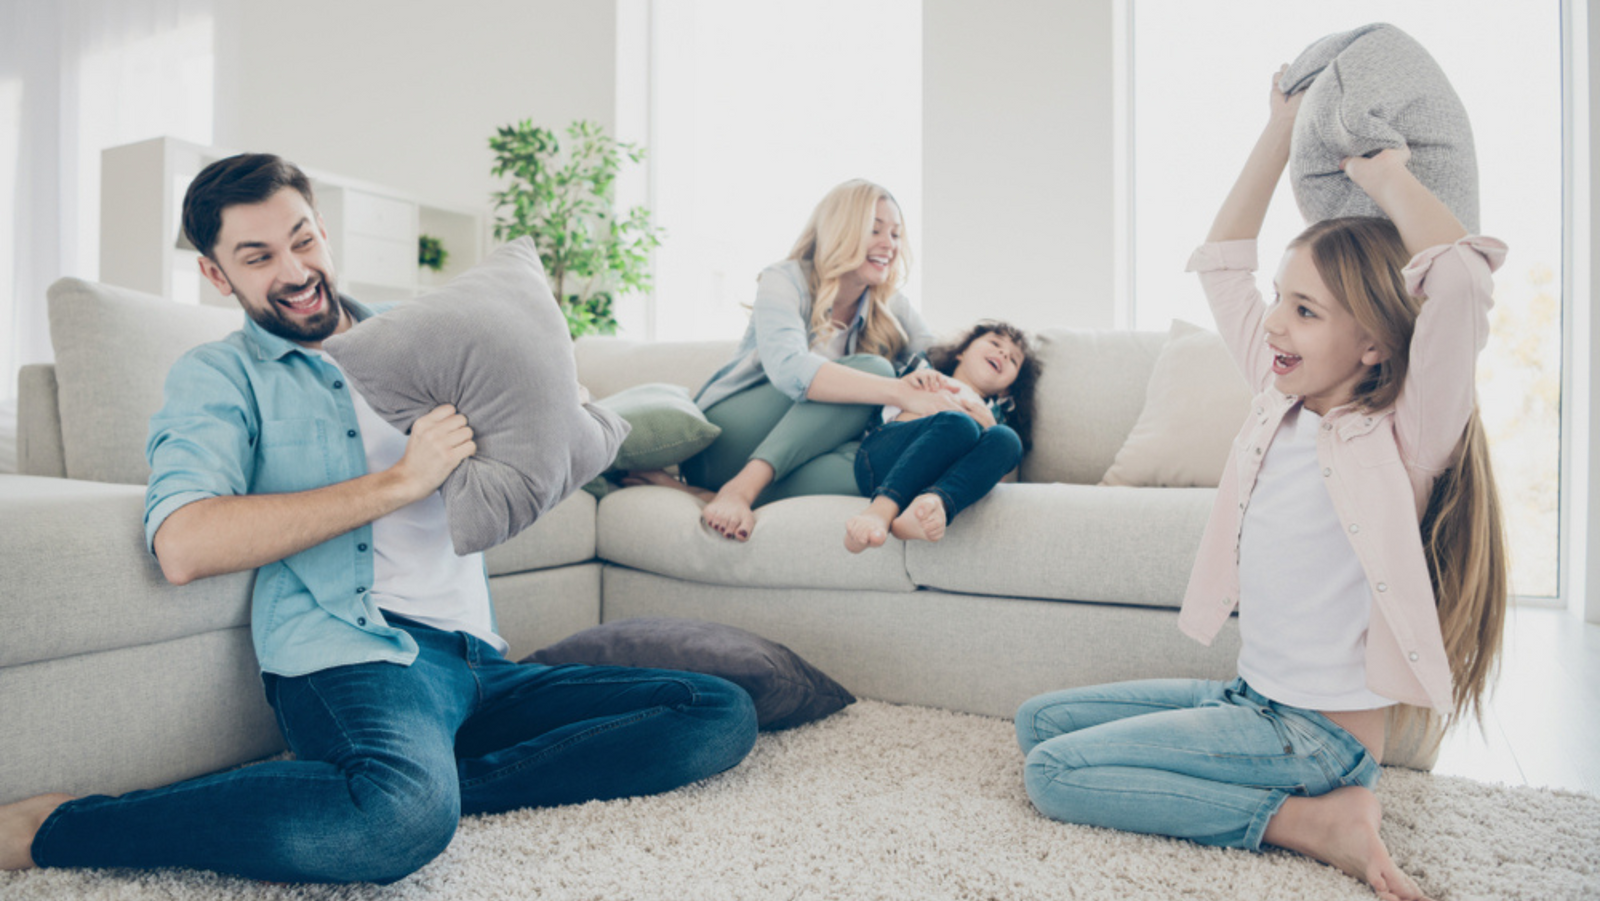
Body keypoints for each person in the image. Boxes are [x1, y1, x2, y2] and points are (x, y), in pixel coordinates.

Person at [0, 154, 758, 883]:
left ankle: (435, 781)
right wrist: (398, 482)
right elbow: (183, 543)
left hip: (481, 661)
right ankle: (65, 827)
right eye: (258, 256)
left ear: (323, 229)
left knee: (716, 710)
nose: (295, 272)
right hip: (359, 657)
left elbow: (550, 422)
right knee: (393, 821)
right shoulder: (219, 375)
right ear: (214, 271)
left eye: (303, 239)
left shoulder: (425, 330)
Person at [1014, 67, 1506, 901]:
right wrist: (1281, 129)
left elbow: (1459, 281)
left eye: (1307, 311)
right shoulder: (1278, 395)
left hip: (1319, 737)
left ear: (1377, 345)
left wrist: (1384, 177)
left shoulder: (1406, 435)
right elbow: (1222, 267)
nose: (1275, 321)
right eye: (1283, 299)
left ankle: (1308, 820)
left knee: (1055, 774)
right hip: (1253, 695)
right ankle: (1304, 796)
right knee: (1038, 723)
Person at [631, 179, 965, 541]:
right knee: (874, 371)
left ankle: (707, 495)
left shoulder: (890, 305)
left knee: (874, 467)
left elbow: (938, 364)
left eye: (897, 235)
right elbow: (790, 370)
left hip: (797, 452)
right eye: (875, 230)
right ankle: (738, 489)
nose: (890, 245)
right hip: (731, 436)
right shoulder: (784, 279)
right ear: (841, 231)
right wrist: (898, 392)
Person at [843, 320, 1039, 553]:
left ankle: (932, 506)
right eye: (995, 342)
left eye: (1014, 359)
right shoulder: (926, 372)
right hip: (887, 459)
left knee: (1008, 439)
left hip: (934, 482)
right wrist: (908, 386)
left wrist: (989, 426)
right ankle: (880, 512)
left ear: (1007, 389)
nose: (1004, 353)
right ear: (962, 352)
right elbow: (884, 405)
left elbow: (990, 475)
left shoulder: (995, 415)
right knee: (961, 423)